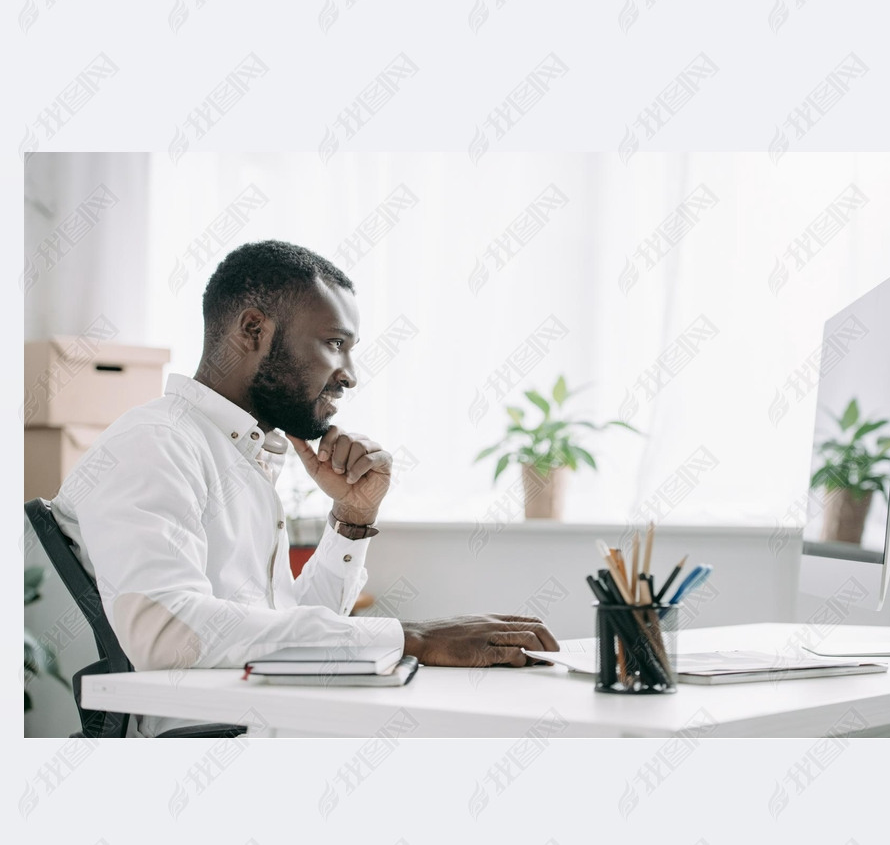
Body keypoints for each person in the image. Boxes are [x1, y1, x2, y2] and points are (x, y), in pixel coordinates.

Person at [52, 239, 558, 736]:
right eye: (334, 343)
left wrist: (352, 519)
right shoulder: (157, 442)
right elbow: (167, 633)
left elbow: (290, 628)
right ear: (253, 330)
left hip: (272, 726)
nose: (350, 376)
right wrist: (413, 638)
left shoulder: (239, 454)